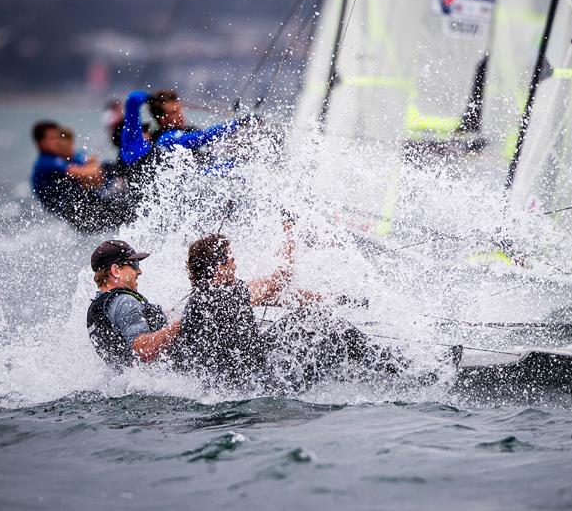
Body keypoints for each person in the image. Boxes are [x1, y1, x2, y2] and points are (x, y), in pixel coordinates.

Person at [175, 232, 412, 390]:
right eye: (231, 258)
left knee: (311, 320)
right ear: (219, 267)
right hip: (257, 384)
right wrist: (289, 229)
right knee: (332, 329)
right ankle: (406, 374)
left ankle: (387, 371)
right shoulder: (219, 296)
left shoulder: (210, 296)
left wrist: (337, 299)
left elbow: (277, 295)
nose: (235, 263)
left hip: (244, 374)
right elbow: (279, 279)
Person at [119, 89, 245, 190]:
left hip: (194, 183)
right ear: (162, 119)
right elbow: (133, 99)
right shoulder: (162, 140)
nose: (180, 115)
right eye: (174, 112)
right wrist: (237, 123)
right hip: (180, 190)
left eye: (179, 109)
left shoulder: (187, 131)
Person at [86, 240, 180, 369]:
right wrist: (180, 325)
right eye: (134, 265)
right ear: (116, 270)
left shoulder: (101, 304)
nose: (139, 271)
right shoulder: (125, 302)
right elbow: (143, 350)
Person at [30, 121, 132, 233]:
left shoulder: (67, 156)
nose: (58, 141)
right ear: (41, 142)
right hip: (83, 216)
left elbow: (95, 172)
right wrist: (89, 172)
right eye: (53, 138)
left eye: (59, 137)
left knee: (110, 168)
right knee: (133, 205)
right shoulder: (46, 163)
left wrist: (91, 171)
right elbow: (94, 175)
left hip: (92, 204)